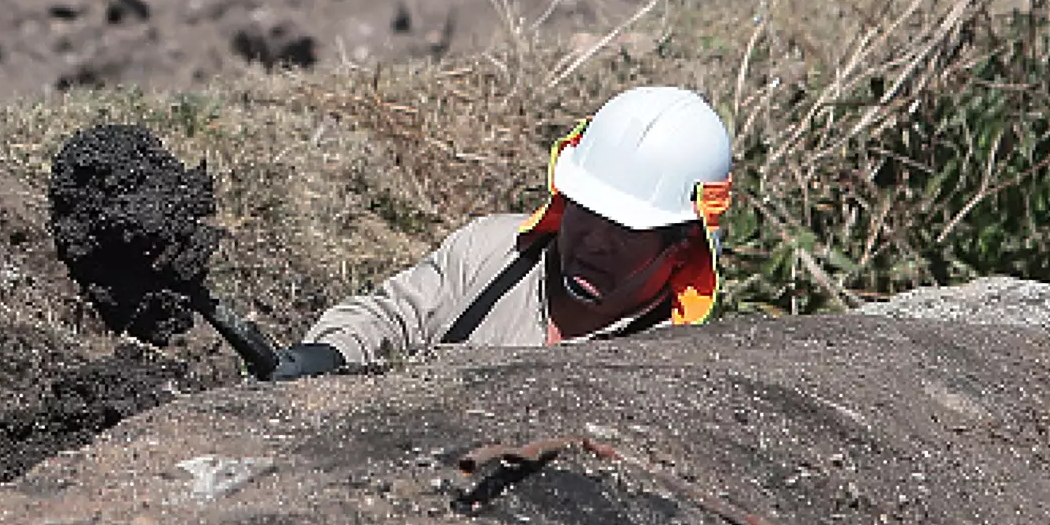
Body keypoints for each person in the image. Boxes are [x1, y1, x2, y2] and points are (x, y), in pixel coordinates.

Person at [269, 85, 733, 379]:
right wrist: (330, 352)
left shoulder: (675, 364)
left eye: (625, 230)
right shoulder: (493, 251)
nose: (594, 240)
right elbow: (394, 315)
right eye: (585, 212)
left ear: (682, 245)